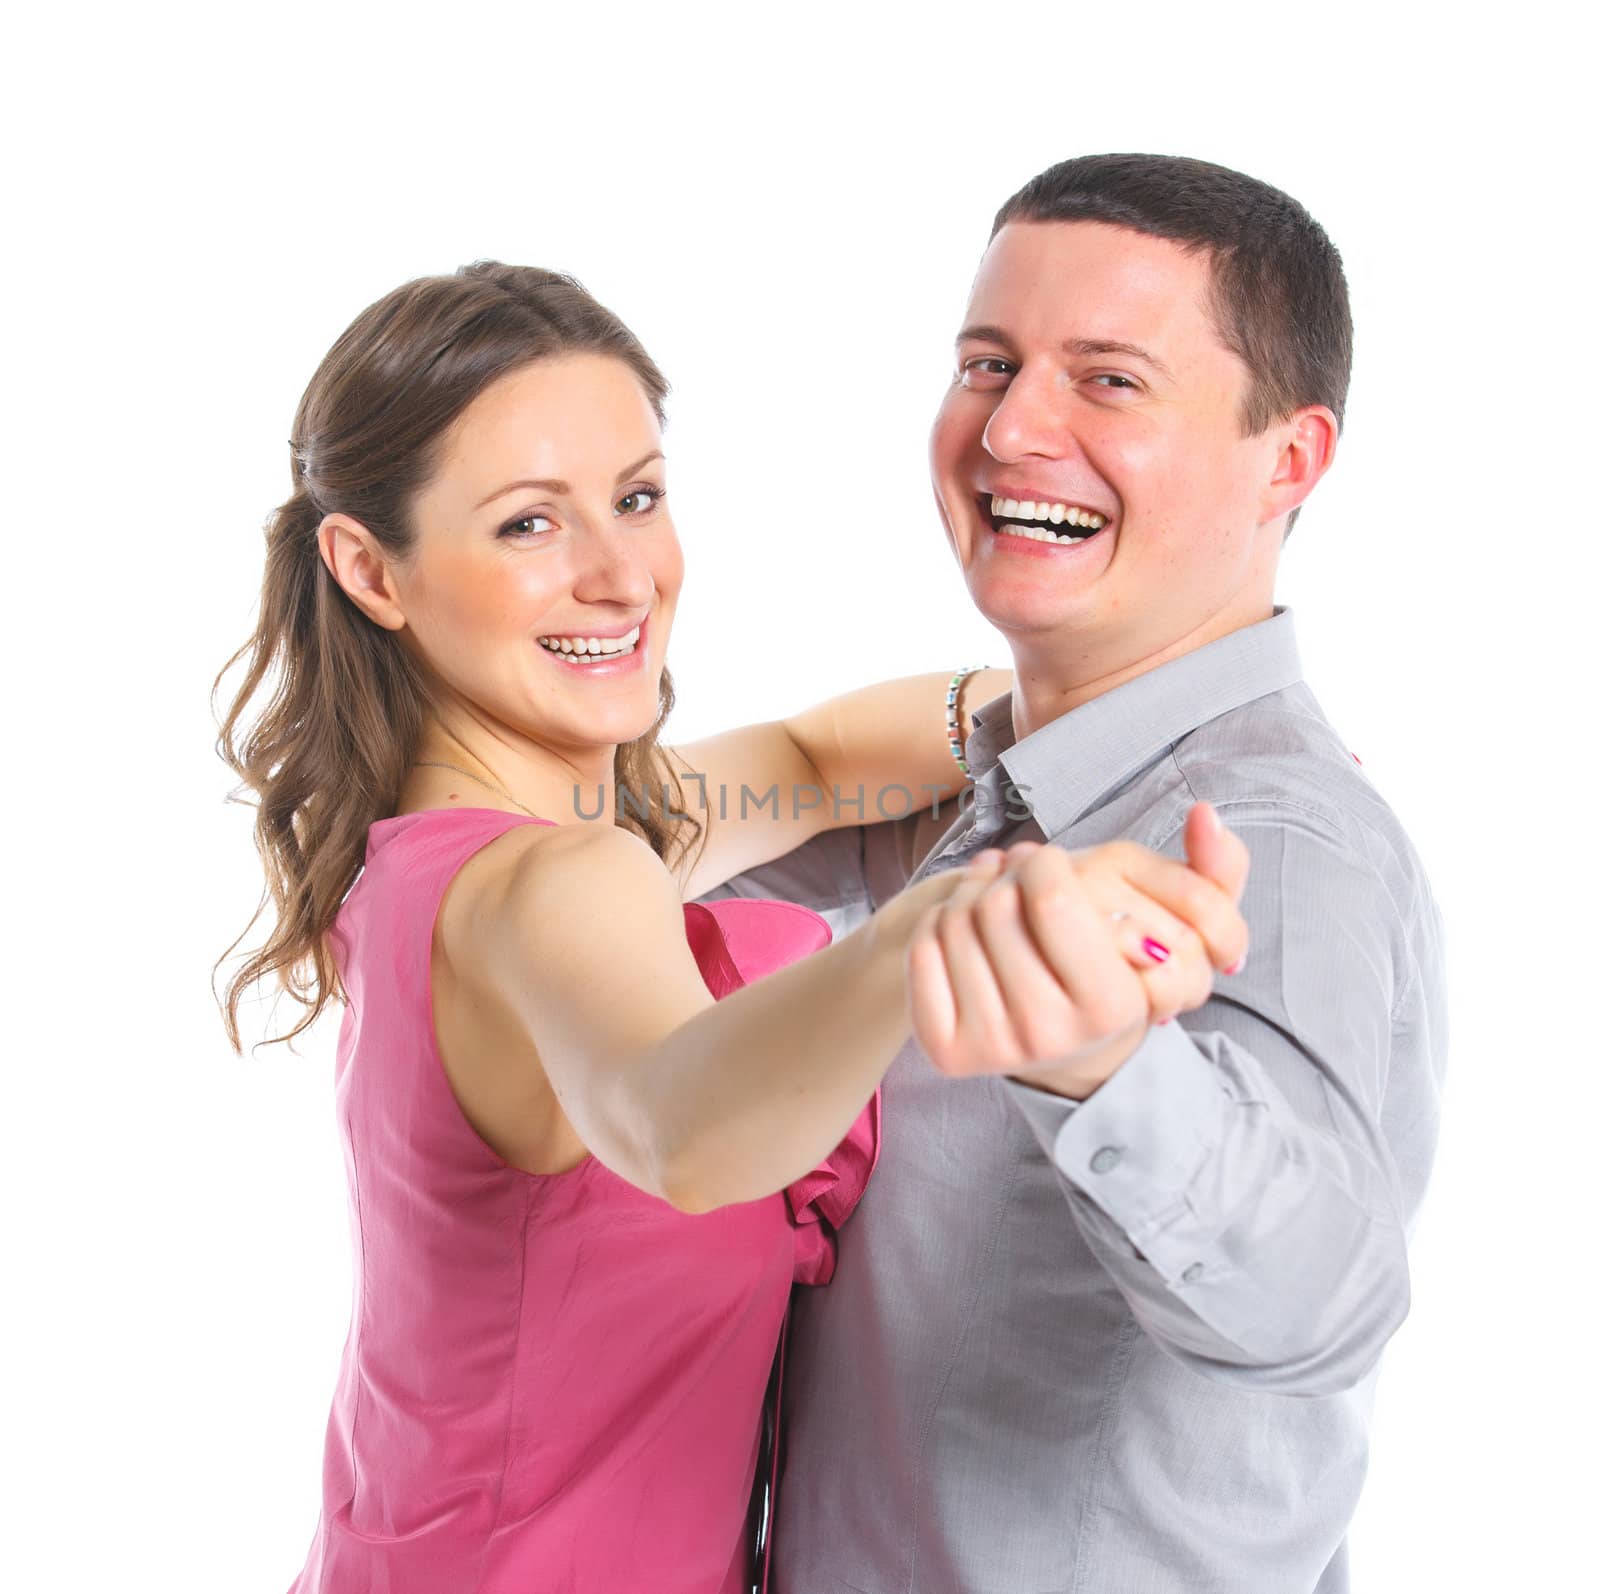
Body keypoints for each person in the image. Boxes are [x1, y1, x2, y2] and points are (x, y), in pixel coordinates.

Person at [213, 261, 1250, 1593]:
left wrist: (1070, 700)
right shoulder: (552, 888)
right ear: (370, 568)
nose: (621, 573)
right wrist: (943, 924)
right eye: (531, 526)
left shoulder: (494, 851)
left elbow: (815, 761)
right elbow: (682, 1125)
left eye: (638, 497)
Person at [704, 154, 1448, 1593]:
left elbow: (1324, 1297)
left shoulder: (1283, 836)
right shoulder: (977, 785)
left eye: (1108, 380)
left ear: (1287, 460)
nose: (1014, 426)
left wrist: (1106, 1061)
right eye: (990, 362)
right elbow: (634, 841)